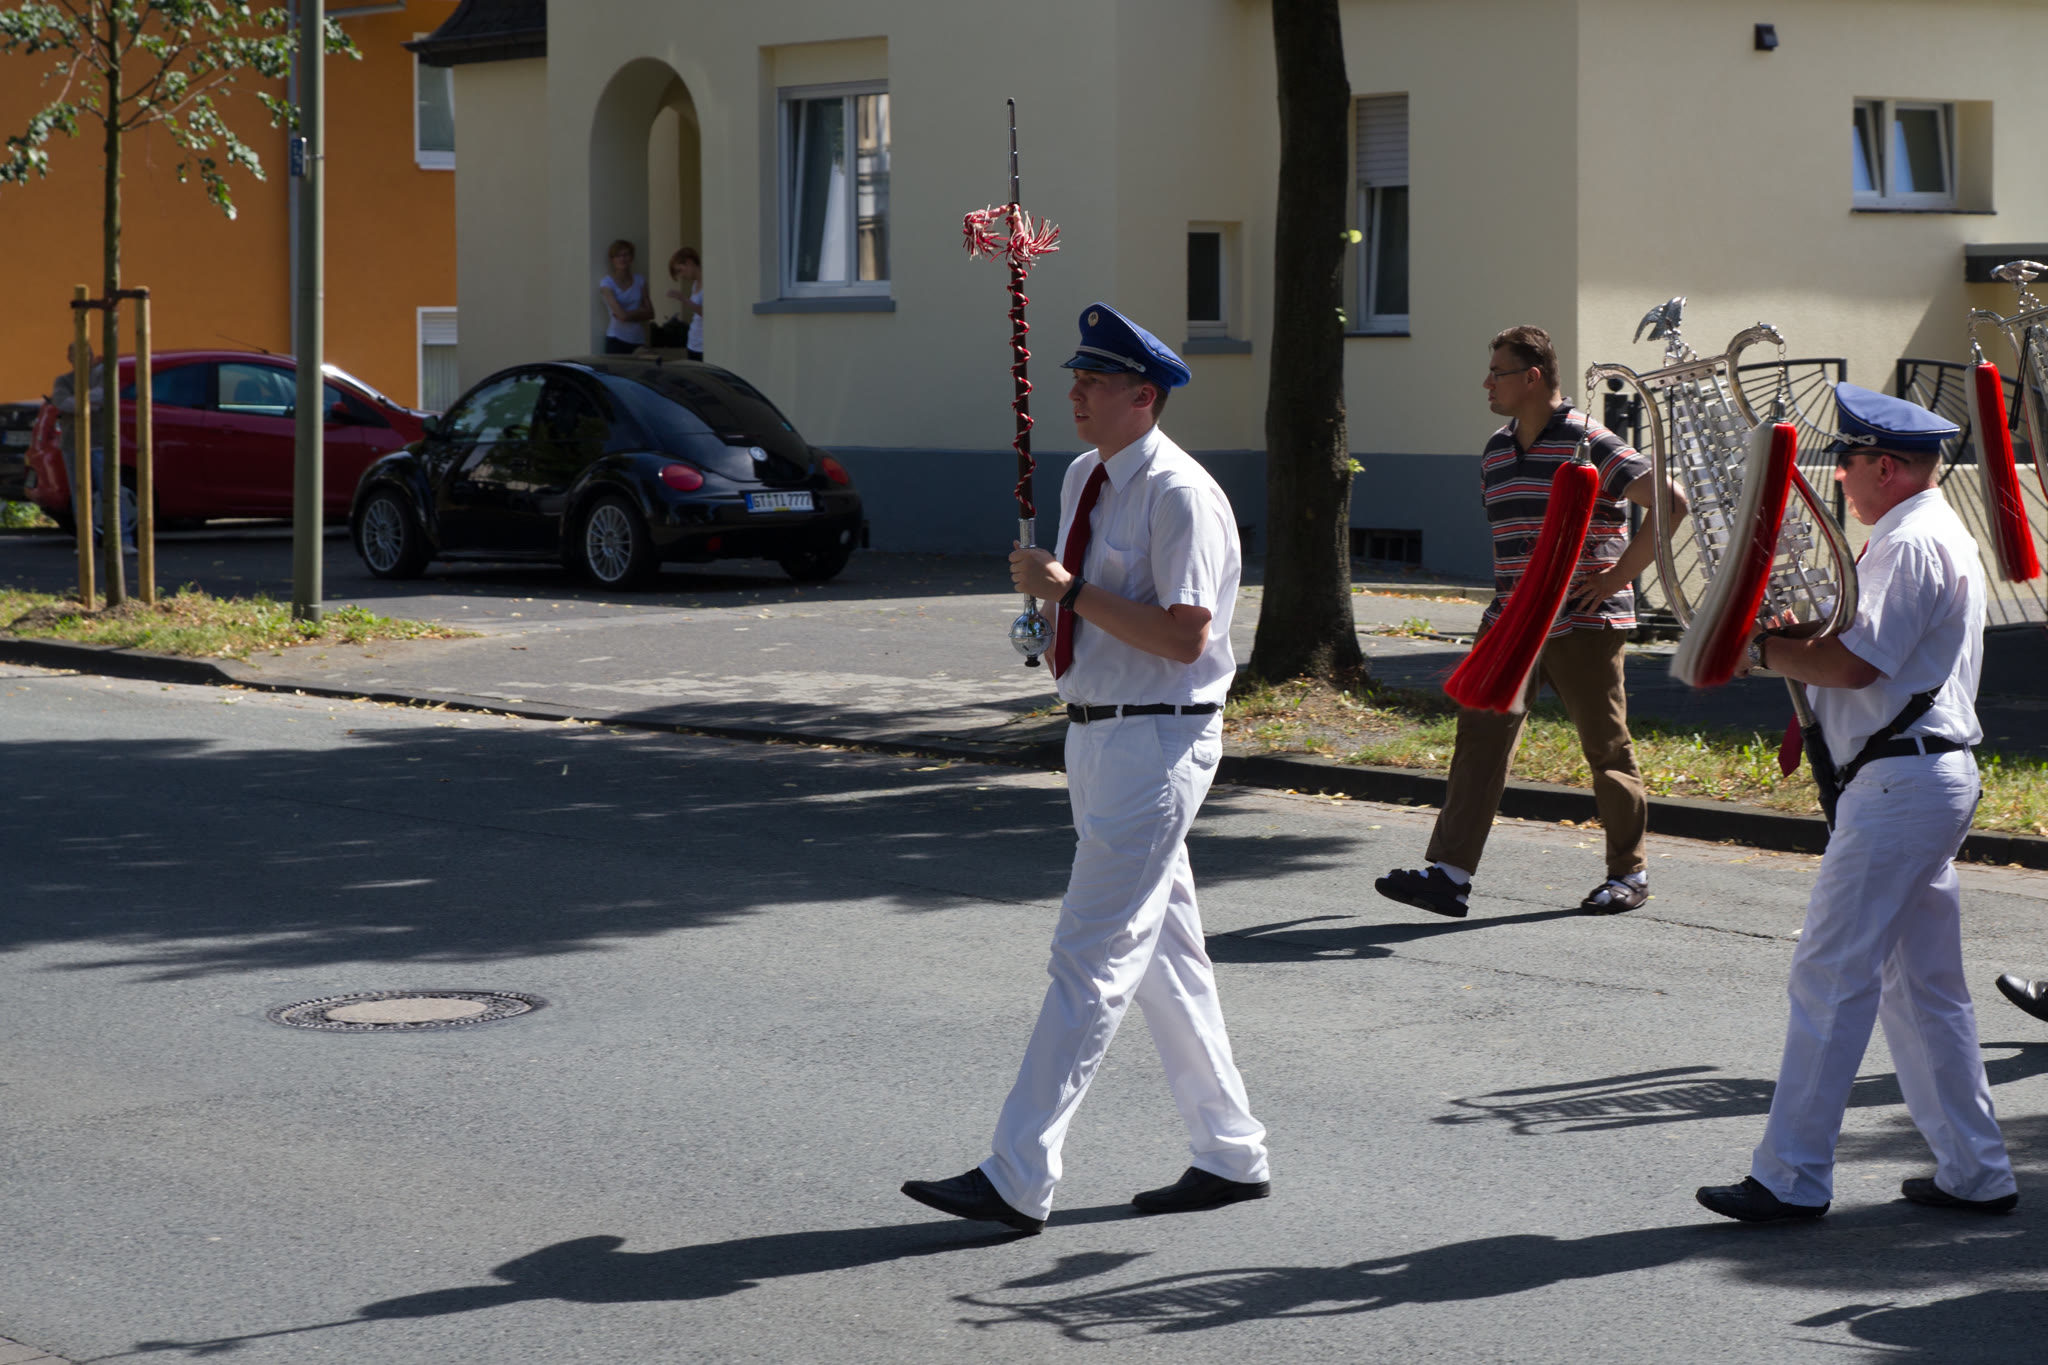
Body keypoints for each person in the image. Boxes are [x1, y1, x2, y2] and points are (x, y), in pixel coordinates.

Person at [900, 303, 1270, 1234]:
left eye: (1096, 381)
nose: (1075, 394)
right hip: (1096, 734)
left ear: (1144, 396)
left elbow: (1185, 638)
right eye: (1074, 378)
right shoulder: (1082, 475)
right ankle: (1231, 1151)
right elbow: (1080, 608)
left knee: (1090, 956)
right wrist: (1048, 607)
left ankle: (1017, 1173)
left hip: (1160, 740)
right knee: (1167, 961)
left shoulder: (1180, 493)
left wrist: (1071, 592)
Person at [1696, 382, 2016, 1223]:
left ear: (1884, 465)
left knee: (1832, 974)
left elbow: (1855, 666)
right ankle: (1976, 1170)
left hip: (1902, 783)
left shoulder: (1909, 541)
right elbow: (1864, 653)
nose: (1838, 476)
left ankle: (1791, 1176)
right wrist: (1794, 640)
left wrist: (1760, 649)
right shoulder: (1926, 531)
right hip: (1916, 776)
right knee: (1924, 988)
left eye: (1848, 461)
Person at [1374, 325, 1683, 919]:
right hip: (1511, 622)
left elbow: (1671, 504)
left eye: (1498, 372)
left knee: (1605, 746)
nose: (1486, 383)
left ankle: (1630, 873)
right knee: (1480, 738)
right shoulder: (1496, 449)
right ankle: (1450, 876)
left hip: (1582, 620)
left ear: (1532, 377)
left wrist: (1617, 577)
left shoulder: (1590, 440)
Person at [598, 239, 653, 355]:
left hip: (638, 341)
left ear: (632, 258)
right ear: (612, 260)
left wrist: (627, 315)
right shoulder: (607, 283)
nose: (622, 259)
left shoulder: (640, 280)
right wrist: (640, 312)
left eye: (626, 255)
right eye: (618, 256)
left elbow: (650, 313)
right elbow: (622, 316)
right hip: (616, 340)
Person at [664, 246, 704, 361]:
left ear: (689, 262)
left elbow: (707, 312)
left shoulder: (708, 282)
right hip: (693, 342)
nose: (681, 276)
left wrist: (683, 299)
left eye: (680, 270)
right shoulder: (695, 284)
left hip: (703, 345)